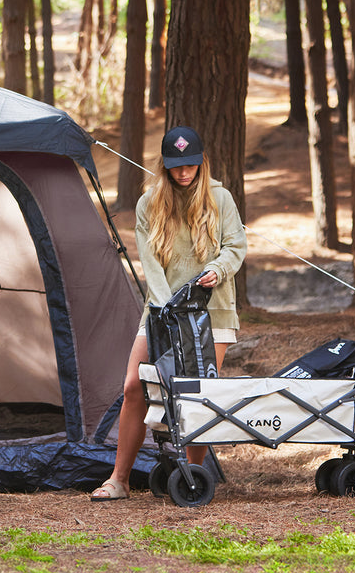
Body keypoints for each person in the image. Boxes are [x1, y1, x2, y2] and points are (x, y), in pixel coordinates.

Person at [90, 126, 247, 501]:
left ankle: (193, 476)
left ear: (201, 162)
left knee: (196, 394)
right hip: (162, 310)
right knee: (134, 386)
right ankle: (119, 480)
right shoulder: (149, 204)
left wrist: (219, 268)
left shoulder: (220, 199)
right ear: (165, 166)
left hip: (212, 314)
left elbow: (236, 246)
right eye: (176, 166)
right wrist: (166, 309)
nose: (184, 173)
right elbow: (150, 263)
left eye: (190, 165)